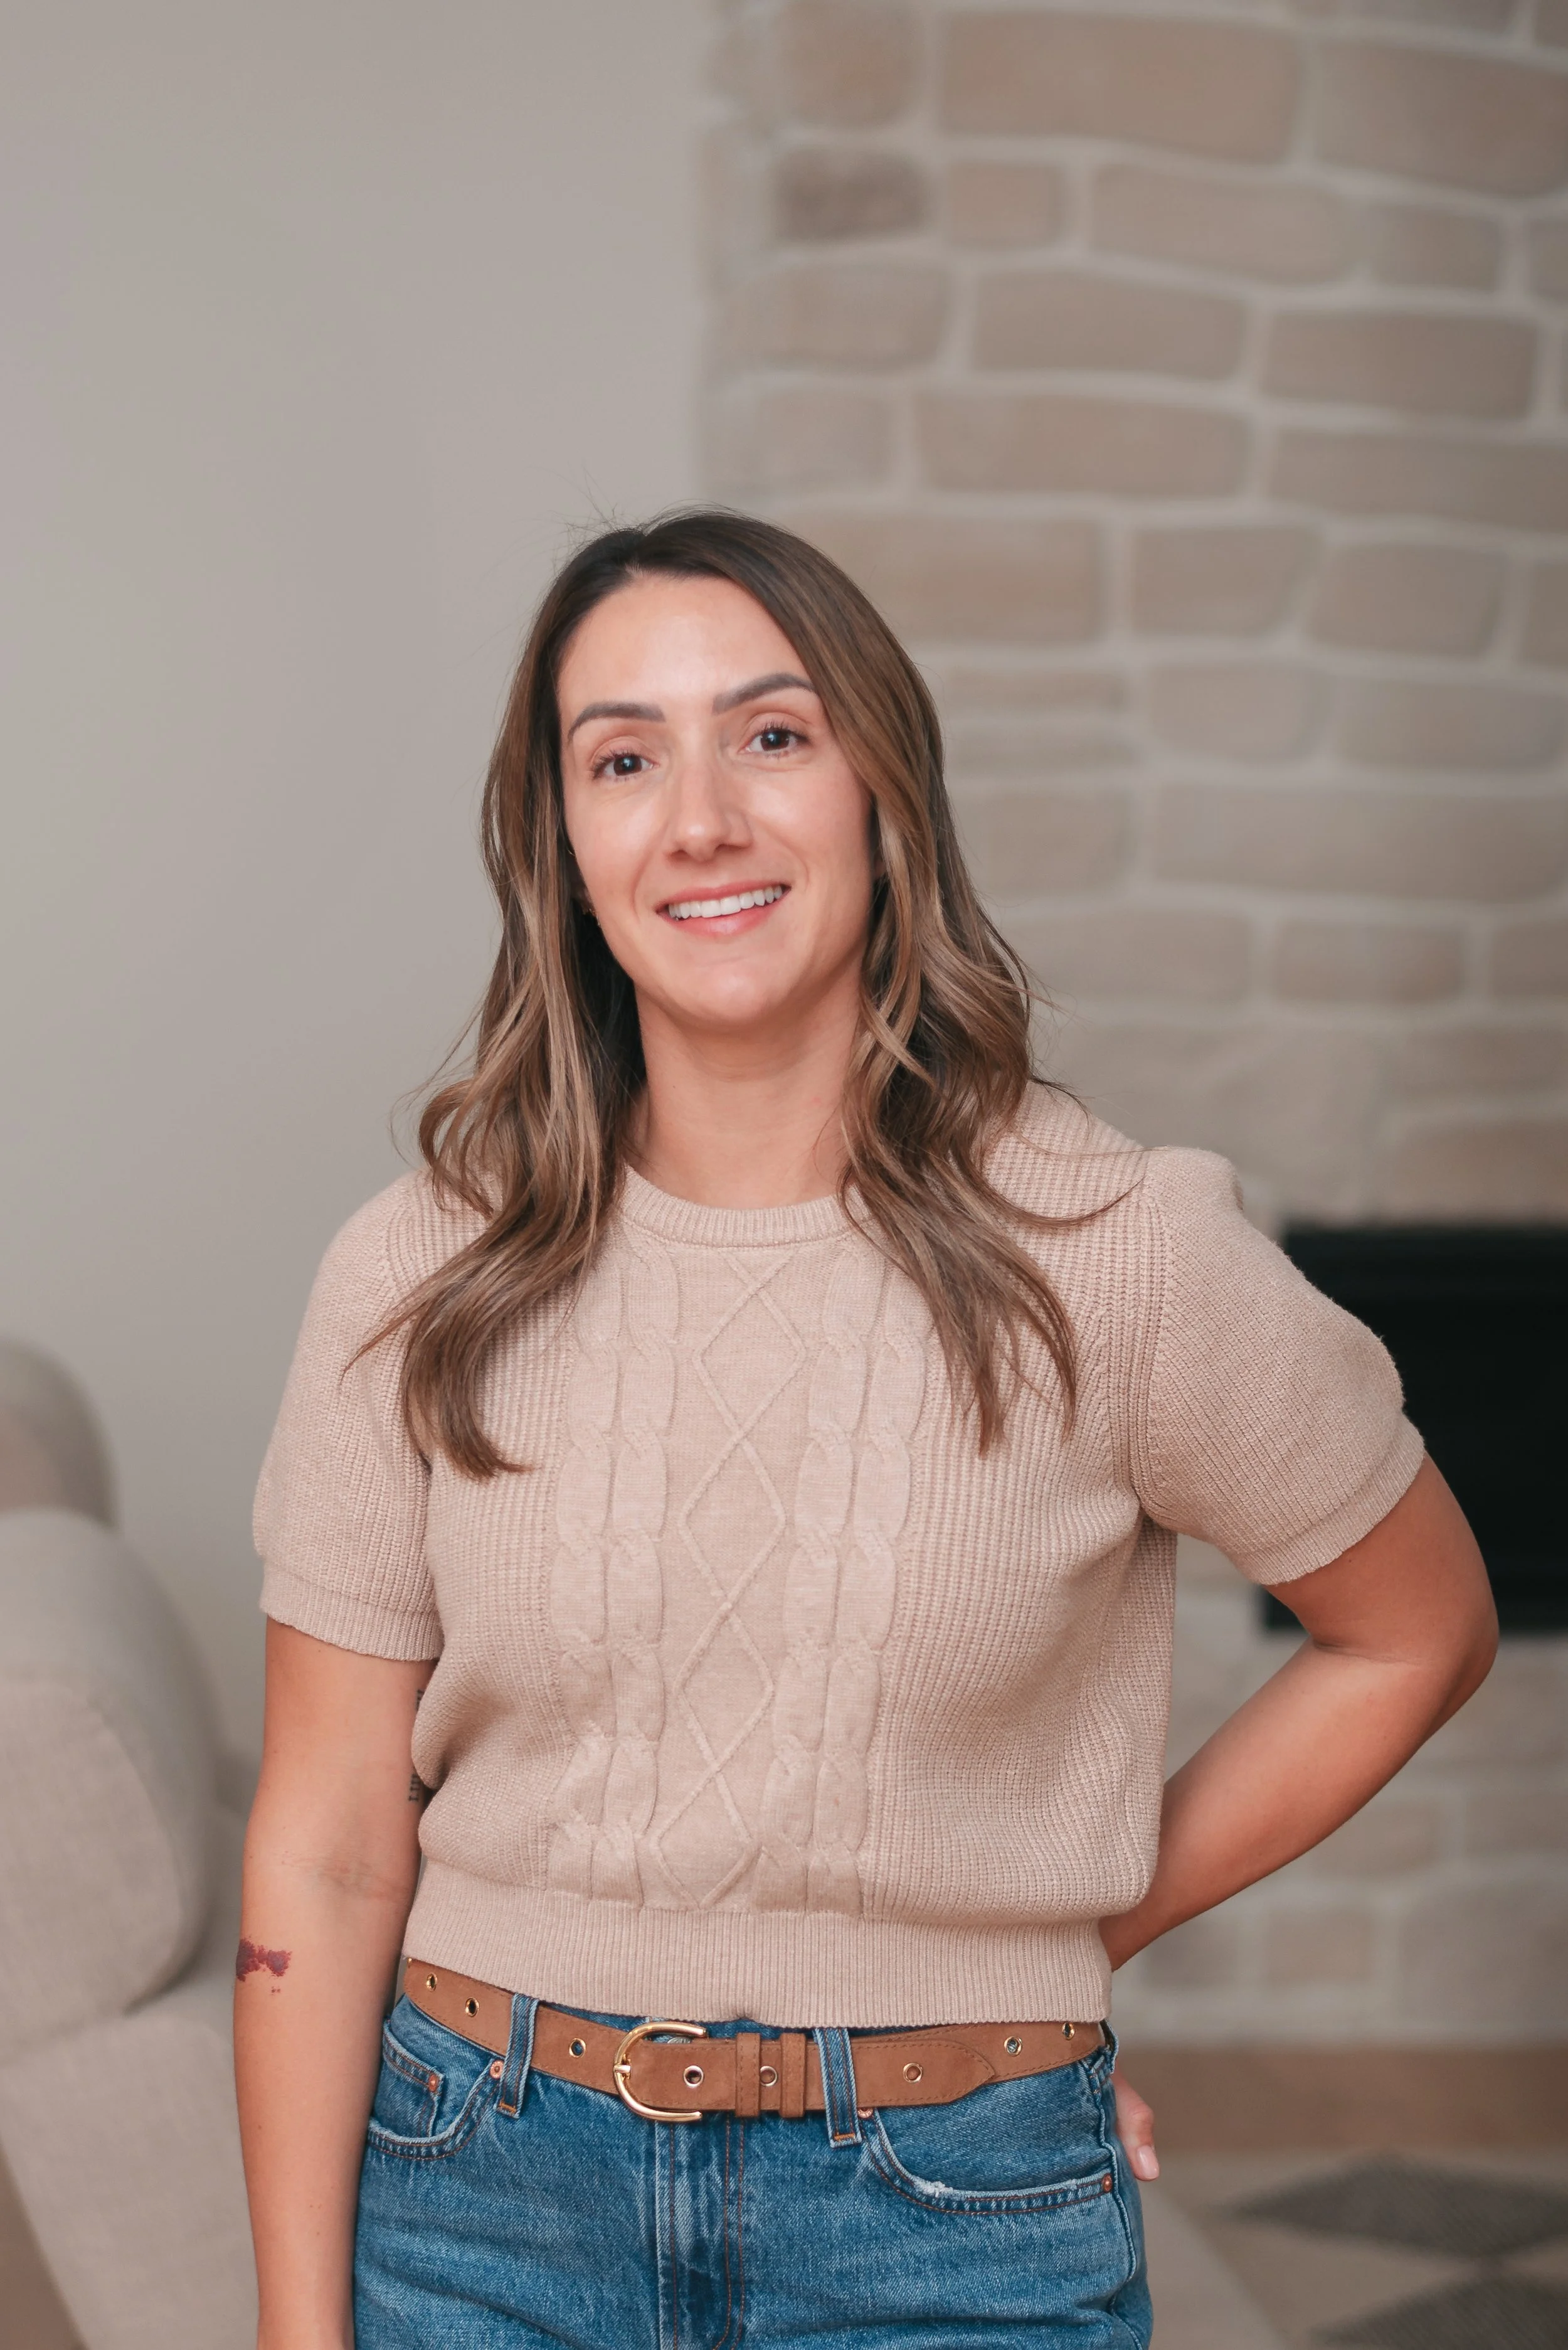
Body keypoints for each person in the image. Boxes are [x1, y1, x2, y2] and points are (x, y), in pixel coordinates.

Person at [236, 511, 1496, 2350]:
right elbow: (331, 1846)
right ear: (561, 843)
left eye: (772, 733)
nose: (701, 819)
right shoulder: (422, 1271)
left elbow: (1415, 1628)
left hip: (951, 2226)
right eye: (621, 757)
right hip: (478, 2206)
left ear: (882, 791)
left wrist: (1061, 1956)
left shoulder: (1115, 1252)